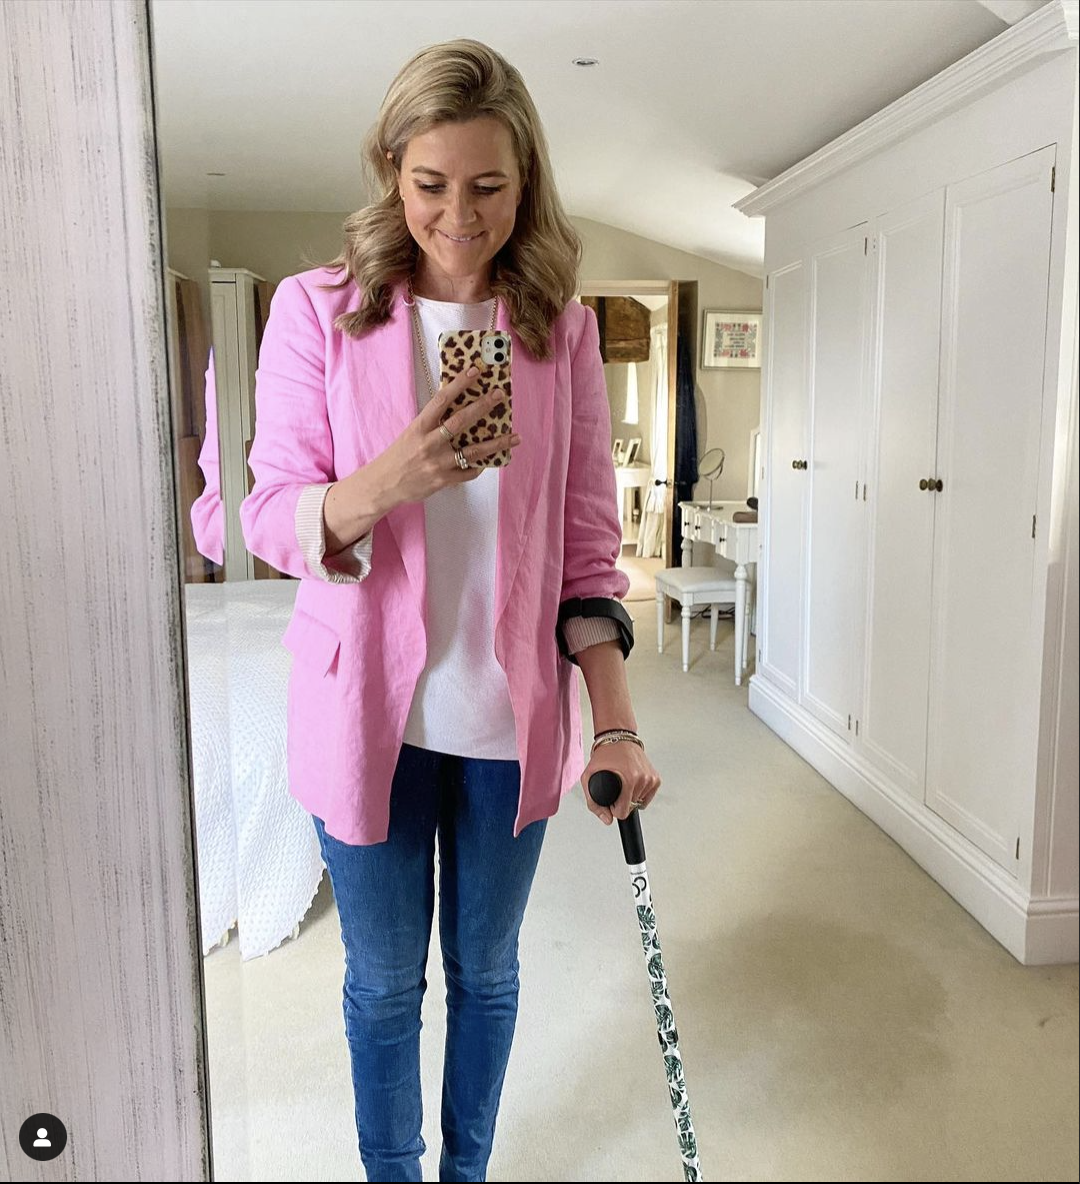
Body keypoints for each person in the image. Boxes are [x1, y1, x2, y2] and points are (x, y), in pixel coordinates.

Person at [239, 38, 662, 1183]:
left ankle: (464, 1170)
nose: (459, 215)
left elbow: (586, 550)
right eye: (431, 184)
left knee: (487, 974)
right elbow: (261, 517)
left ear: (527, 181)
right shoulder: (316, 311)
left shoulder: (560, 328)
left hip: (504, 723)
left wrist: (614, 718)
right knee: (382, 985)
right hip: (360, 713)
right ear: (391, 171)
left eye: (489, 185)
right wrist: (391, 477)